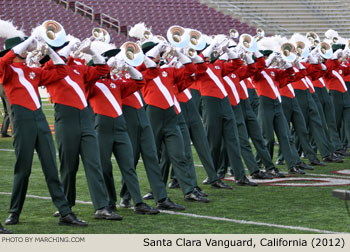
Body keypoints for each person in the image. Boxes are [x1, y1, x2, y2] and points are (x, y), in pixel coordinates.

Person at [0, 36, 87, 226]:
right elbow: (4, 60)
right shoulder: (5, 70)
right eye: (21, 48)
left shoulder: (32, 71)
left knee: (51, 168)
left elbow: (61, 70)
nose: (26, 50)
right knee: (23, 169)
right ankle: (14, 211)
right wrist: (29, 40)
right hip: (22, 121)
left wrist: (52, 52)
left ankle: (65, 213)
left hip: (39, 119)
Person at [42, 37, 122, 220]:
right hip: (65, 118)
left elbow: (102, 70)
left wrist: (92, 52)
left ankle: (101, 207)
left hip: (85, 117)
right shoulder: (50, 66)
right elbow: (55, 65)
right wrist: (66, 46)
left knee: (94, 163)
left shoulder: (79, 67)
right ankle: (66, 206)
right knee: (68, 166)